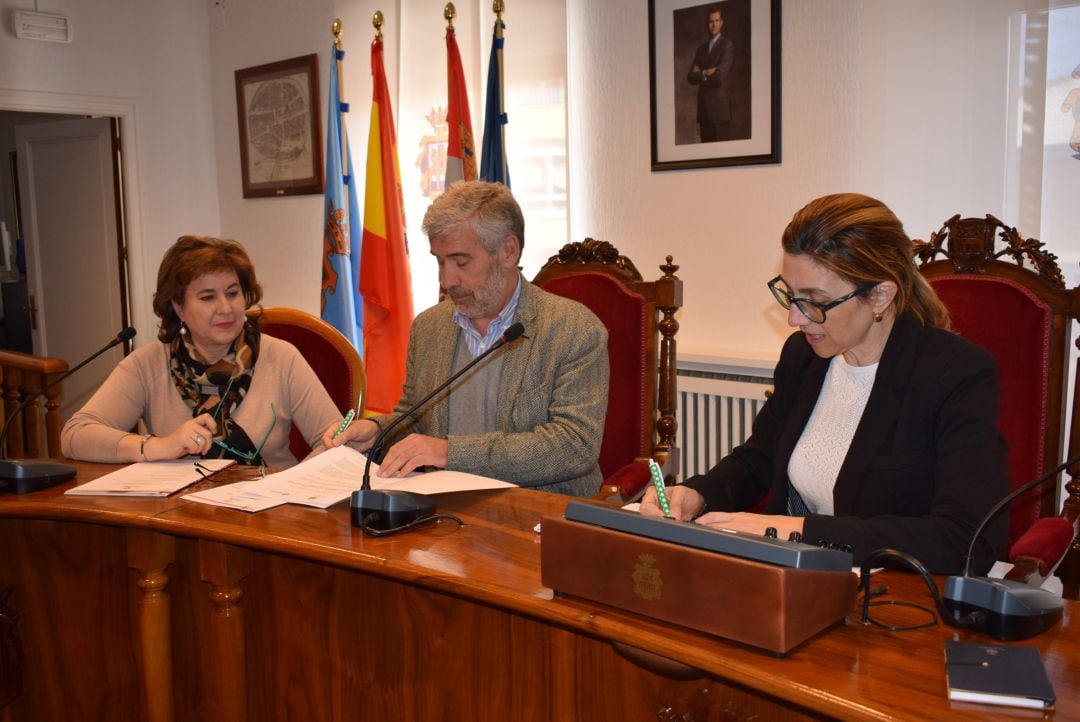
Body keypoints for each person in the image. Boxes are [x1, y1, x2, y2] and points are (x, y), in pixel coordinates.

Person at [641, 193, 1009, 575]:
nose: (795, 319)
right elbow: (760, 459)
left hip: (897, 598)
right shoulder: (804, 356)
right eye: (789, 295)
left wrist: (794, 531)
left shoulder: (955, 373)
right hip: (797, 582)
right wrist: (698, 494)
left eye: (815, 301)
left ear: (880, 295)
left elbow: (966, 539)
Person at [325, 180, 609, 496]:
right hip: (446, 512)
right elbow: (415, 417)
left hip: (541, 515)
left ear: (508, 251)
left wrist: (449, 452)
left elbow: (574, 446)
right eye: (439, 261)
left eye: (461, 262)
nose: (446, 281)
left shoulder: (573, 329)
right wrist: (376, 431)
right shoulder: (429, 327)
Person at [62, 235, 341, 468]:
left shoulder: (281, 358)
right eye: (208, 297)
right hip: (179, 518)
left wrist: (293, 485)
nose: (226, 308)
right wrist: (158, 446)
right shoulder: (148, 364)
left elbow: (337, 439)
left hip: (269, 517)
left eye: (233, 293)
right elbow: (76, 435)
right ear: (178, 307)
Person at [687, 4, 734, 143]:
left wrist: (700, 74)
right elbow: (690, 77)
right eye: (710, 21)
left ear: (721, 23)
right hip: (704, 111)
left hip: (720, 112)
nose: (713, 25)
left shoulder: (727, 45)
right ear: (707, 24)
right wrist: (707, 72)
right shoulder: (700, 50)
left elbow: (719, 76)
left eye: (716, 21)